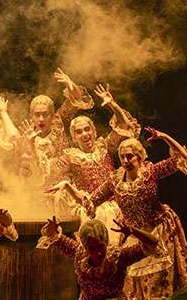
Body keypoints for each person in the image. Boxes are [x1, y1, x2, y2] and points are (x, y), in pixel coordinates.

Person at [47, 128, 187, 300]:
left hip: (155, 230)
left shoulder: (150, 172)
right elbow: (90, 201)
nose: (126, 160)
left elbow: (181, 158)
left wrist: (164, 137)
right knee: (134, 284)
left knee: (149, 282)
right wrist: (67, 186)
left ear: (140, 157)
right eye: (123, 157)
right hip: (131, 234)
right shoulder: (115, 180)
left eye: (130, 156)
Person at [49, 83, 140, 228]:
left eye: (87, 129)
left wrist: (112, 104)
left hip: (116, 207)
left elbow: (125, 125)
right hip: (92, 211)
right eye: (79, 132)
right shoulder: (70, 156)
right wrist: (55, 162)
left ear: (94, 132)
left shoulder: (105, 147)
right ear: (74, 138)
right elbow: (50, 173)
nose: (84, 134)